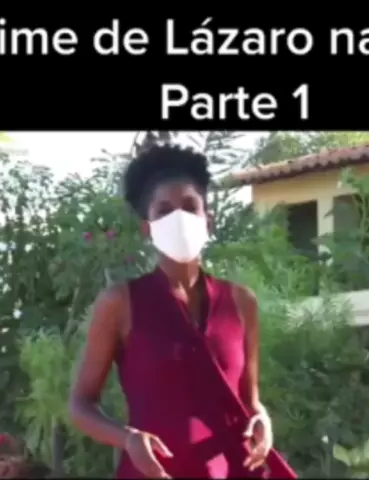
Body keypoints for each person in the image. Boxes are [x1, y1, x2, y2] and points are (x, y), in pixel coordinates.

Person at [68, 144, 297, 479]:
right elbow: (80, 405)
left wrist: (263, 420)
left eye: (190, 207)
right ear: (147, 228)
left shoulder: (241, 302)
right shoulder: (120, 303)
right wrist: (128, 439)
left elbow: (250, 400)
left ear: (208, 221)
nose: (178, 219)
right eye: (163, 211)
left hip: (235, 469)